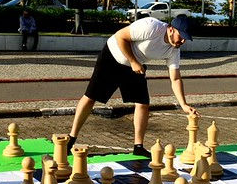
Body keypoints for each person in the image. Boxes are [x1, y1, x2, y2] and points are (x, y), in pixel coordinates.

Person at [68, 14, 198, 157]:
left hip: (135, 65)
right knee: (91, 97)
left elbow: (175, 79)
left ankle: (138, 146)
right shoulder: (152, 27)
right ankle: (71, 138)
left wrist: (184, 105)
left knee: (143, 103)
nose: (183, 41)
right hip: (112, 56)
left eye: (186, 38)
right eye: (181, 36)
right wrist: (133, 61)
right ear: (171, 29)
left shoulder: (174, 50)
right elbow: (120, 36)